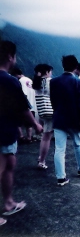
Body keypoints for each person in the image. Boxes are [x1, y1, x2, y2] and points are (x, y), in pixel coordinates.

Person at [0, 41, 43, 224]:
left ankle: (9, 203)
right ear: (10, 56)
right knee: (2, 167)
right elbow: (23, 108)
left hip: (6, 129)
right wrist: (35, 125)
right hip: (3, 130)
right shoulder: (9, 80)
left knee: (9, 162)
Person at [50, 55, 80, 186]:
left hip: (59, 118)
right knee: (78, 143)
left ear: (63, 66)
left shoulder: (54, 82)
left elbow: (53, 101)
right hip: (74, 120)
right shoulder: (79, 82)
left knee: (59, 148)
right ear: (75, 67)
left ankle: (61, 177)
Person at [33, 64, 54, 169]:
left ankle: (41, 158)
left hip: (40, 111)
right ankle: (41, 160)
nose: (51, 74)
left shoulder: (36, 83)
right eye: (50, 71)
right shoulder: (49, 82)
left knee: (44, 137)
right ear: (46, 72)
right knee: (47, 137)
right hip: (50, 112)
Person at [10, 67, 38, 144]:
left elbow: (23, 93)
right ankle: (29, 137)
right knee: (29, 124)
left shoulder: (20, 81)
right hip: (32, 104)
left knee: (18, 122)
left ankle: (21, 137)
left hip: (24, 105)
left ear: (16, 74)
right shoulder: (30, 80)